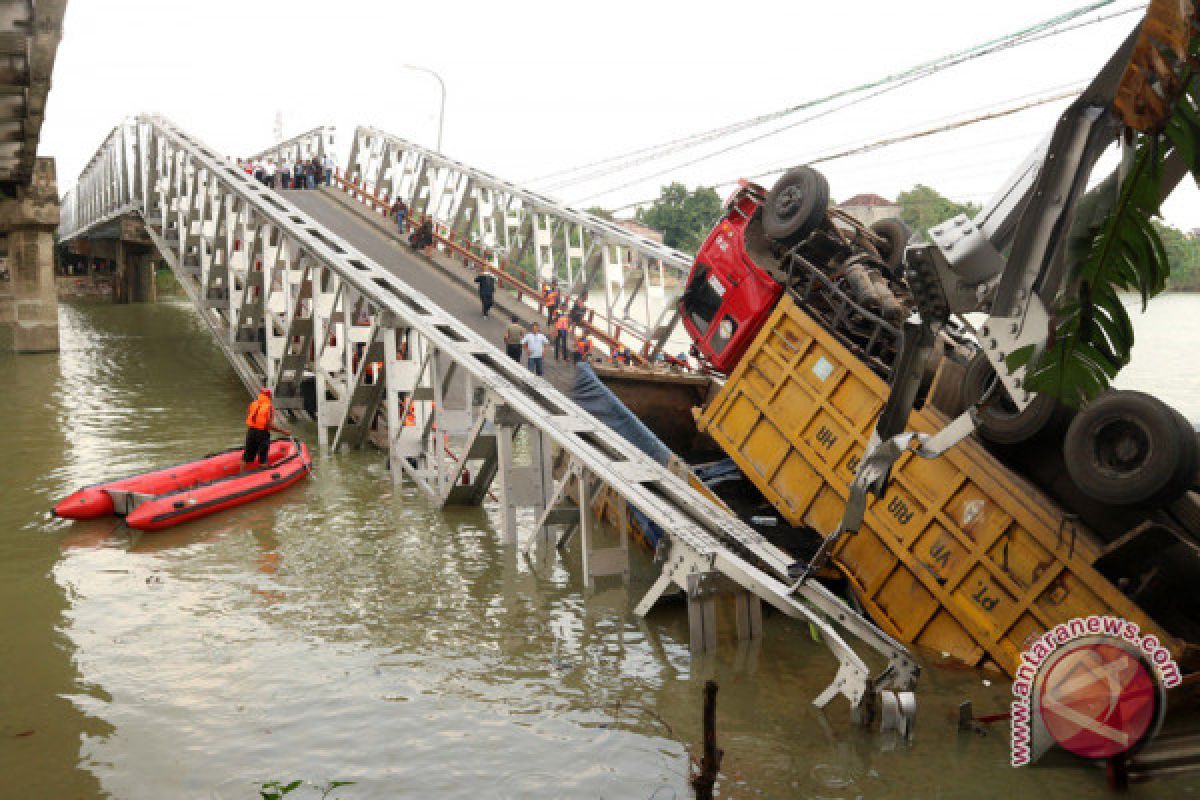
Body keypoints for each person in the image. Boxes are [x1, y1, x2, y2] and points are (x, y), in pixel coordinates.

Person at [242, 387, 291, 472]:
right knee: (263, 457)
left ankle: (240, 475)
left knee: (246, 457)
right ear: (269, 396)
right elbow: (269, 425)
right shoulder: (269, 407)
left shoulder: (253, 404)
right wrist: (284, 431)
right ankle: (264, 477)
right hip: (262, 433)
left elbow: (250, 416)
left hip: (251, 431)